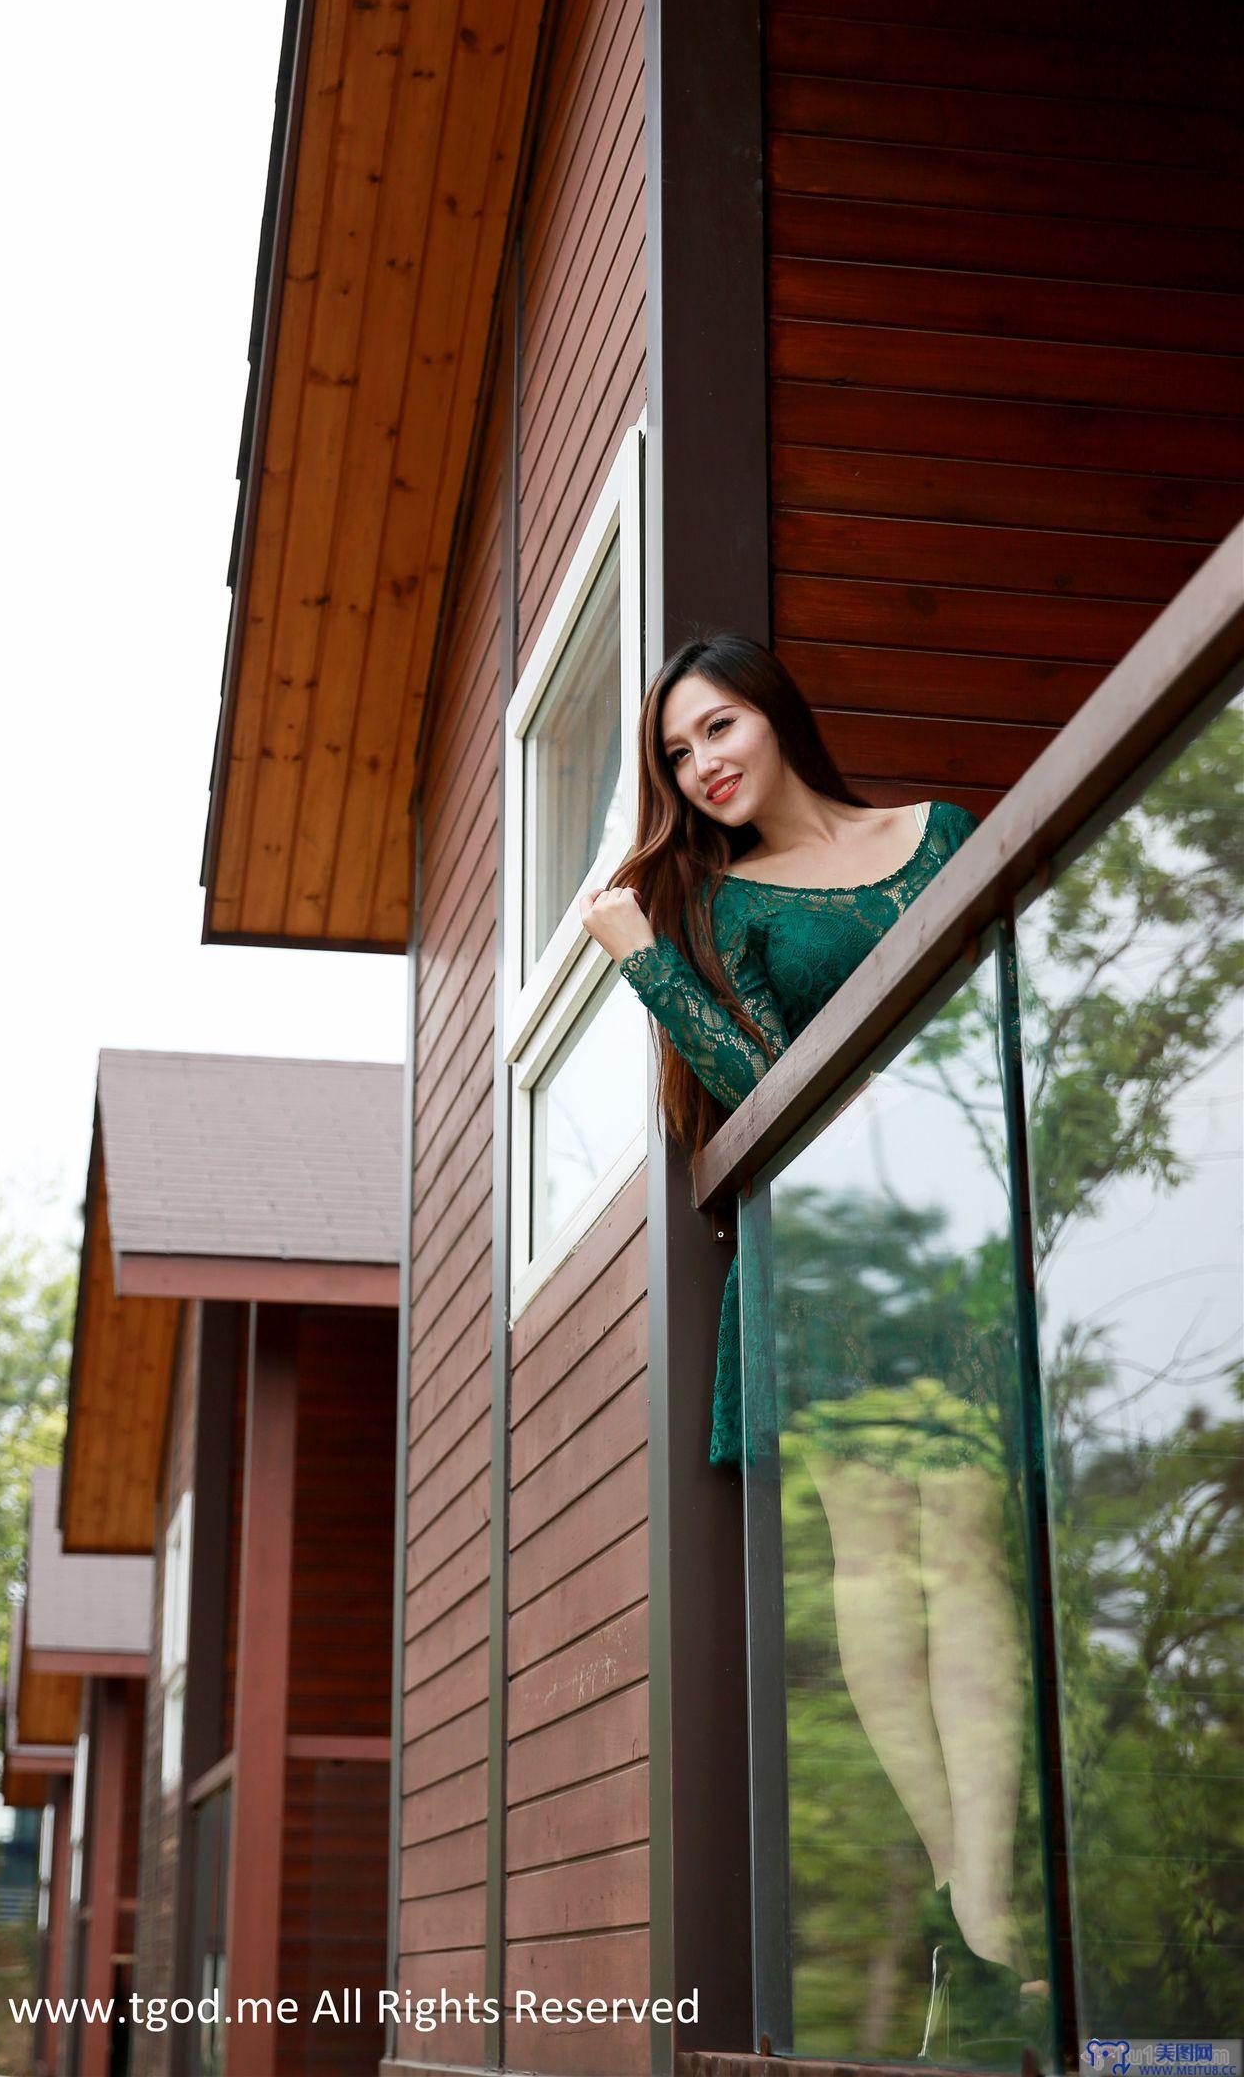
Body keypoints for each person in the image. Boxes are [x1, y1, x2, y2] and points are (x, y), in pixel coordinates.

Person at [578, 631, 1046, 2037]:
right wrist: (649, 965)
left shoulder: (936, 833)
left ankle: (986, 1917)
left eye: (718, 729)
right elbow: (771, 1091)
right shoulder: (716, 906)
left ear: (776, 718)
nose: (703, 765)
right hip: (825, 1255)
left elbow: (997, 1009)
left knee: (967, 1561)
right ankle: (983, 1924)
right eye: (676, 755)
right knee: (875, 1576)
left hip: (952, 1246)